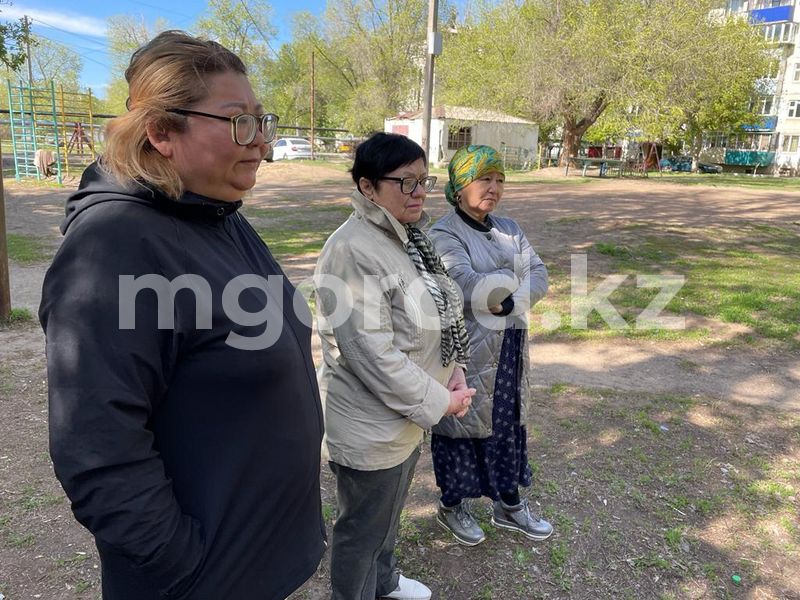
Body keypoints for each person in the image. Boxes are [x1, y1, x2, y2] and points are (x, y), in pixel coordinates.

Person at [39, 31, 326, 600]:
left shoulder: (219, 216)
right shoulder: (115, 246)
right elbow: (97, 447)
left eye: (262, 122)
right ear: (162, 132)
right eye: (238, 122)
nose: (261, 143)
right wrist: (185, 568)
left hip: (260, 563)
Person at [314, 132, 476, 600]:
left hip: (408, 414)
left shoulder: (408, 239)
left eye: (424, 180)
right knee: (362, 531)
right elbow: (371, 354)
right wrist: (439, 400)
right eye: (406, 182)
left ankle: (383, 583)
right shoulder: (351, 250)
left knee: (388, 516)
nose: (419, 192)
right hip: (371, 425)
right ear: (368, 187)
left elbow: (438, 313)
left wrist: (454, 368)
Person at [428, 144, 553, 547]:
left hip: (510, 347)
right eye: (485, 179)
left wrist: (510, 296)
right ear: (461, 184)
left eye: (500, 180)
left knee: (507, 423)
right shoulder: (444, 233)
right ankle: (452, 505)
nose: (494, 188)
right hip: (468, 350)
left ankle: (509, 503)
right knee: (461, 424)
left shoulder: (511, 229)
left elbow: (539, 273)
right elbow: (462, 284)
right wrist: (508, 278)